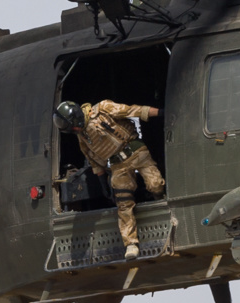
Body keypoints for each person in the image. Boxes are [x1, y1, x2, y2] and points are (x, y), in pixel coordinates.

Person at [54, 99, 165, 260]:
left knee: (155, 185)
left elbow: (131, 110)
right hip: (117, 165)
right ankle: (131, 244)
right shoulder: (82, 135)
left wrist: (161, 112)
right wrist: (102, 182)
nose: (76, 129)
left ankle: (159, 200)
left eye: (74, 126)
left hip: (136, 152)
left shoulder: (103, 109)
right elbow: (92, 159)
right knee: (123, 204)